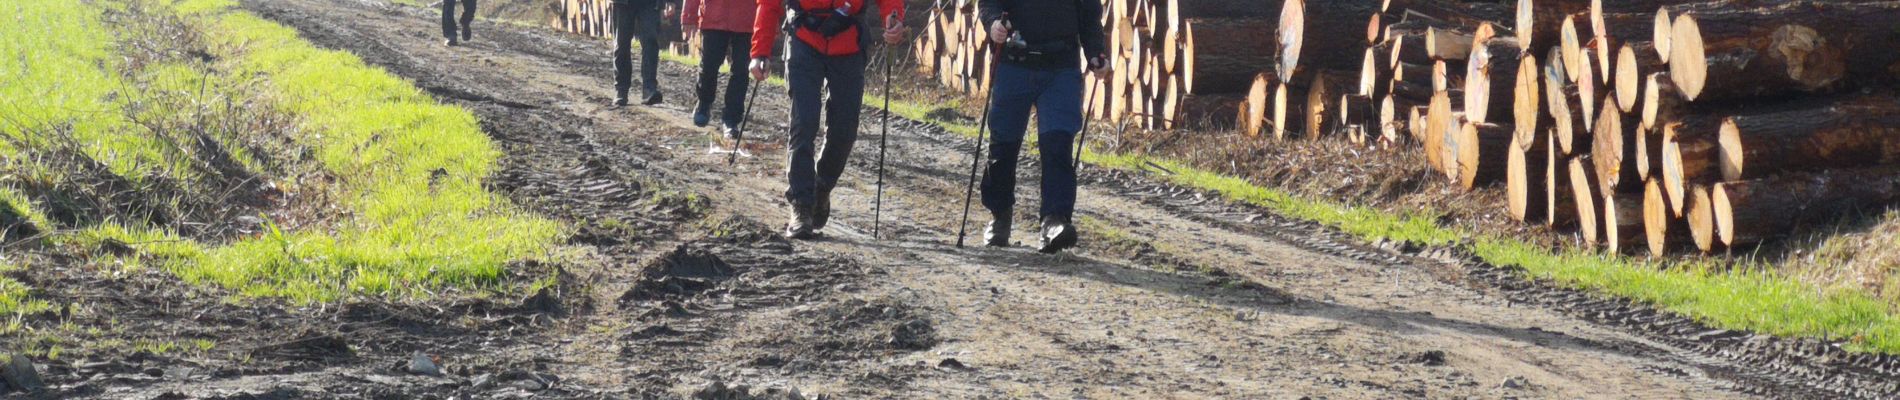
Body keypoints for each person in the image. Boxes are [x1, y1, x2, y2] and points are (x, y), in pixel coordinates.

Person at [749, 0, 906, 239]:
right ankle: (801, 204)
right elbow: (768, 4)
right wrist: (760, 51)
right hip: (803, 39)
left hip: (849, 45)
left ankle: (821, 185)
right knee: (804, 122)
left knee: (844, 131)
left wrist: (895, 21)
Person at [975, 0, 1107, 253]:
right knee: (1003, 144)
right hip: (1013, 63)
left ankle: (1054, 221)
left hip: (1061, 66)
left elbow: (1090, 15)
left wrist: (1095, 53)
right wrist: (992, 24)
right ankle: (1000, 216)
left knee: (1058, 143)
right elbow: (989, 3)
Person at [681, 0, 756, 137]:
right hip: (713, 15)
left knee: (741, 71)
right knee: (709, 64)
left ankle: (731, 119)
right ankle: (704, 103)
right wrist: (688, 15)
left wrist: (770, 24)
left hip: (747, 18)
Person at [613, 0, 680, 106]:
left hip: (649, 3)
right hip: (623, 3)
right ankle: (621, 90)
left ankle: (649, 89)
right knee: (622, 43)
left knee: (650, 41)